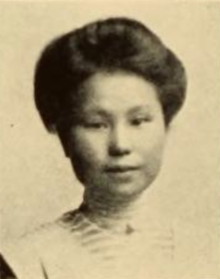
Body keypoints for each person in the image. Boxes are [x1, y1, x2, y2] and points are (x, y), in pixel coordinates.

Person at [0, 17, 187, 279]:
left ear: (166, 126)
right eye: (96, 124)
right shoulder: (25, 262)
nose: (120, 145)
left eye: (138, 121)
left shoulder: (207, 250)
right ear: (64, 136)